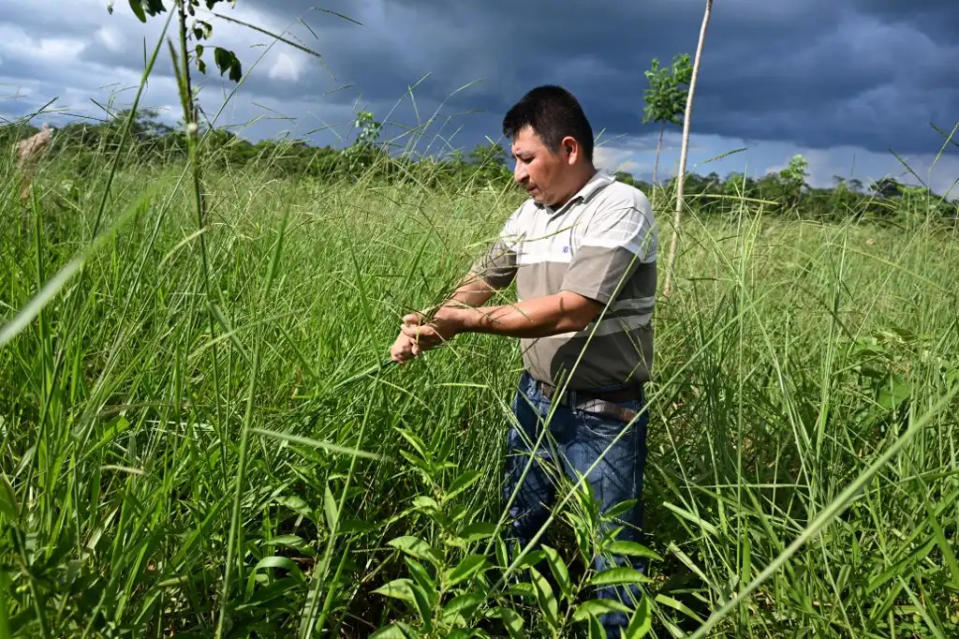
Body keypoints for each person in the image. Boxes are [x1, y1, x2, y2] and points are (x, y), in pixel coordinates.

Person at [390, 85, 657, 635]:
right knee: (520, 525)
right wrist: (427, 330)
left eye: (526, 158)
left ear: (569, 150)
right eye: (515, 158)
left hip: (603, 413)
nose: (517, 173)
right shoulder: (527, 216)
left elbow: (572, 310)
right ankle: (519, 624)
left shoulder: (620, 207)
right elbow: (476, 287)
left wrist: (470, 324)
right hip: (535, 399)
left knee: (611, 552)